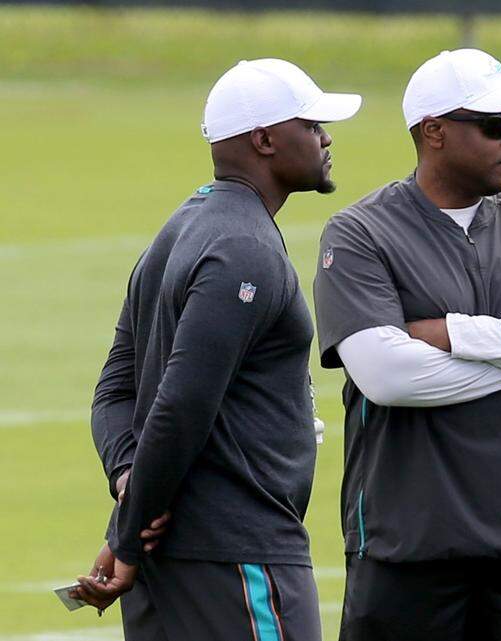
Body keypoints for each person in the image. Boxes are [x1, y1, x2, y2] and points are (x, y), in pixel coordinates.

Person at [74, 58, 361, 640]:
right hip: (238, 559)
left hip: (175, 564)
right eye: (311, 125)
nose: (326, 138)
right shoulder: (245, 247)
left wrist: (129, 480)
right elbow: (181, 404)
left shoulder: (181, 226)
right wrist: (128, 535)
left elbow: (114, 392)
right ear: (264, 140)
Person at [311, 49, 501, 641]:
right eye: (497, 126)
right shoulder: (360, 232)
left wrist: (447, 332)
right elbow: (388, 376)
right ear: (434, 132)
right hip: (407, 545)